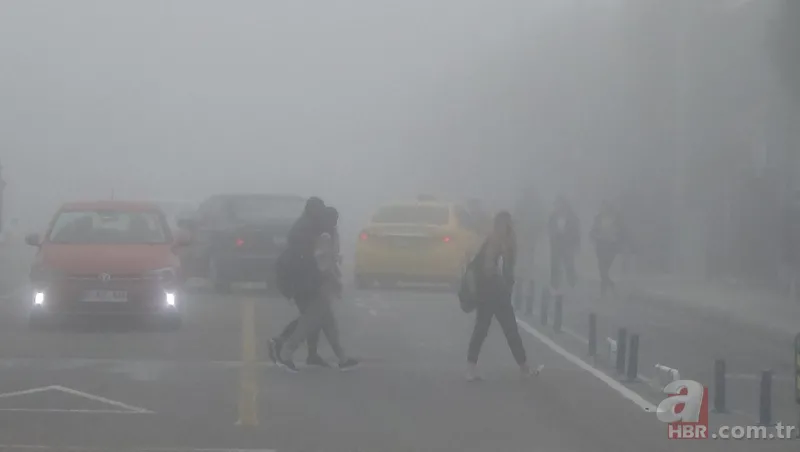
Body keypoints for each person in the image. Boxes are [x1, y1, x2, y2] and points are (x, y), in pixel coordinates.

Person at [276, 206, 358, 372]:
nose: (335, 224)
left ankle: (341, 358)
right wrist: (334, 281)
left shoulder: (309, 231)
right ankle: (285, 353)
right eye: (333, 220)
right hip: (317, 285)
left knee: (327, 323)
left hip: (312, 283)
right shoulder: (323, 236)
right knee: (310, 322)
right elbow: (323, 264)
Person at [466, 211, 536, 381]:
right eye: (503, 224)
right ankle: (471, 368)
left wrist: (508, 283)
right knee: (482, 329)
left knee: (510, 329)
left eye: (508, 224)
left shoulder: (510, 242)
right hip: (489, 292)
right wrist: (500, 281)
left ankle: (524, 366)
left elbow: (510, 268)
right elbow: (488, 267)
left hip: (501, 293)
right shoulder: (493, 241)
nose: (506, 227)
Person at [269, 197, 328, 367]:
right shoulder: (304, 228)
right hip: (300, 280)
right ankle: (279, 342)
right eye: (319, 210)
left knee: (314, 317)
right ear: (312, 210)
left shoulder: (308, 226)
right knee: (311, 317)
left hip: (304, 279)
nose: (322, 213)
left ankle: (312, 354)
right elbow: (303, 259)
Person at [590, 200, 624, 295]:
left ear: (608, 207)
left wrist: (616, 238)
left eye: (605, 206)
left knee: (604, 270)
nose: (603, 208)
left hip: (611, 247)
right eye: (602, 206)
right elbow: (592, 231)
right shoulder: (597, 218)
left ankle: (606, 290)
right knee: (602, 270)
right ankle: (606, 290)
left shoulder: (616, 218)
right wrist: (597, 236)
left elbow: (622, 232)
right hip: (601, 247)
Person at [548, 195, 580, 293]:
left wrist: (576, 244)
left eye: (560, 204)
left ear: (565, 205)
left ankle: (572, 284)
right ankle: (554, 286)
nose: (558, 206)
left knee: (569, 265)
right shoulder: (553, 216)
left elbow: (577, 231)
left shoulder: (572, 217)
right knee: (555, 266)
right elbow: (549, 228)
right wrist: (553, 235)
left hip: (568, 245)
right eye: (557, 204)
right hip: (556, 245)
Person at [783, 190, 800, 301]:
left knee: (793, 270)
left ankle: (792, 292)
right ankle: (791, 292)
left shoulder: (791, 211)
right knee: (793, 270)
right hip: (792, 244)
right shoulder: (792, 211)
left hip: (792, 244)